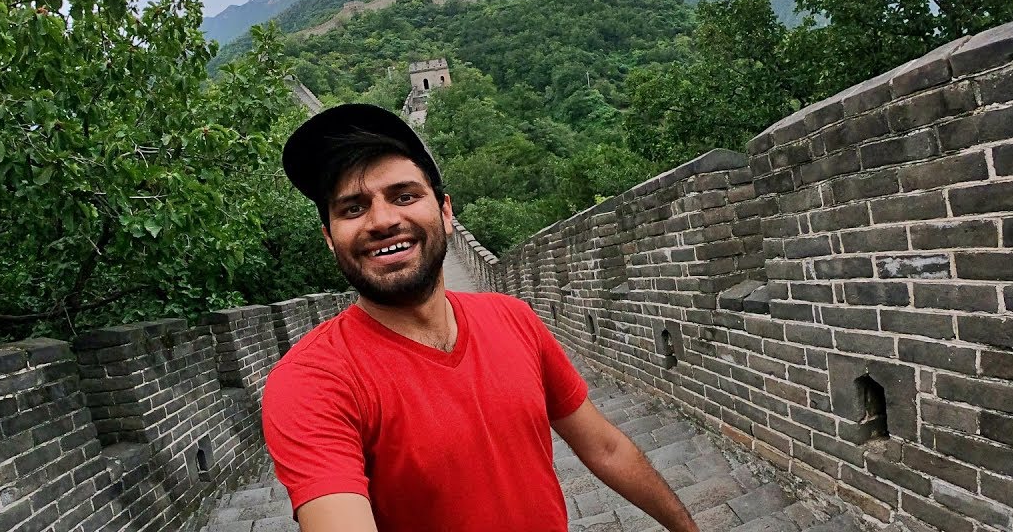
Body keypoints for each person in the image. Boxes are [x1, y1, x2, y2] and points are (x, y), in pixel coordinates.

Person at [262, 102, 700, 532]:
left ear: (445, 212)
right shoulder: (312, 382)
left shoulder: (513, 319)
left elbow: (605, 448)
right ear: (329, 238)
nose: (382, 220)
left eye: (405, 196)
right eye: (353, 208)